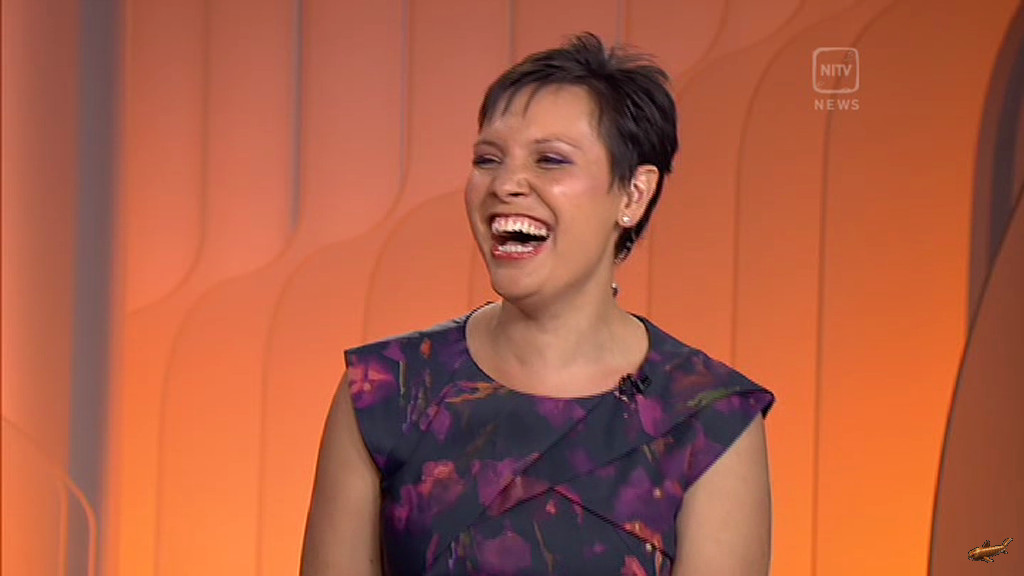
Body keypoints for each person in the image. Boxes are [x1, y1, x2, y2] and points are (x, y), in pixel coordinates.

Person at [301, 32, 775, 576]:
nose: (506, 184)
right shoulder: (387, 390)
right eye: (488, 159)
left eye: (550, 160)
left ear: (633, 194)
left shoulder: (708, 419)